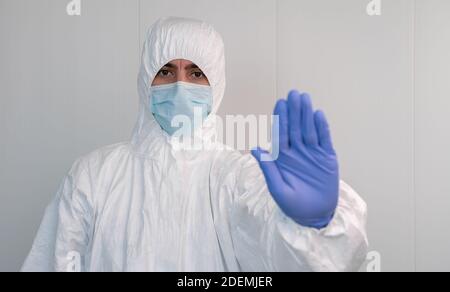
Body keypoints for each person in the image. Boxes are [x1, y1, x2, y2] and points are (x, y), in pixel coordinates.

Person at [21, 17, 368, 272]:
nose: (180, 85)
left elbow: (283, 255)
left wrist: (317, 226)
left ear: (215, 84)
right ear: (146, 80)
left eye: (196, 73)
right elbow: (52, 262)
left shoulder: (237, 176)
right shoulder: (93, 176)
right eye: (167, 71)